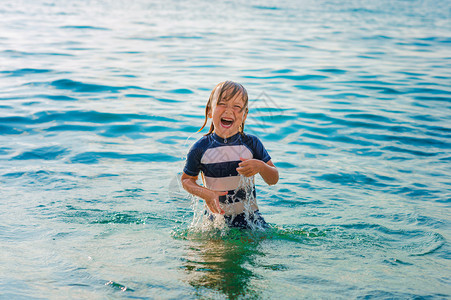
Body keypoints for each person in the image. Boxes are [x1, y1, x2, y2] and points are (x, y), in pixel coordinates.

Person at [181, 81, 279, 229]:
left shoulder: (252, 144)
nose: (228, 110)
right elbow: (187, 180)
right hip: (216, 222)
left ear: (244, 115)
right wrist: (206, 194)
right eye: (222, 103)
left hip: (251, 220)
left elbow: (273, 179)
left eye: (237, 106)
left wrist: (261, 167)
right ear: (209, 110)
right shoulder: (200, 148)